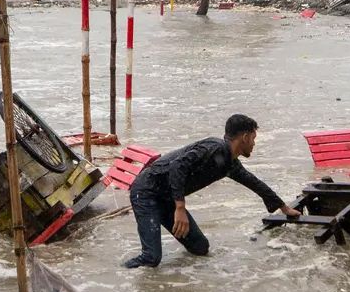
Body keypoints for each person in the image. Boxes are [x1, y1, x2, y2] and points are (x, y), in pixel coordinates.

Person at [123, 114, 298, 268]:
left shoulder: (229, 163)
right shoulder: (213, 148)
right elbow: (178, 166)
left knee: (200, 248)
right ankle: (120, 274)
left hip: (167, 197)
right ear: (244, 137)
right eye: (253, 138)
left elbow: (255, 183)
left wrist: (284, 208)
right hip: (146, 192)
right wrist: (180, 208)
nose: (254, 143)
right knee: (151, 258)